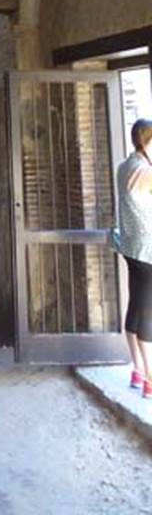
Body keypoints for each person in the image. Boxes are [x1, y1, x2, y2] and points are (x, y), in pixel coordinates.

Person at [116, 118, 152, 396]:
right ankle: (151, 379)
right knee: (147, 313)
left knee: (136, 307)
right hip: (148, 248)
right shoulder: (143, 171)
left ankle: (138, 370)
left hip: (130, 246)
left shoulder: (124, 166)